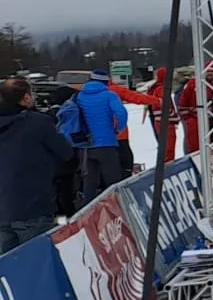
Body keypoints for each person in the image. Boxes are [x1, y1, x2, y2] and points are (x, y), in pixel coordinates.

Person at [0, 77, 74, 252]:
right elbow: (66, 153)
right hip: (32, 207)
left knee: (7, 268)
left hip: (3, 209)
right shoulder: (37, 122)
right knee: (37, 263)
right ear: (25, 98)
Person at [69, 69, 129, 203]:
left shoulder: (79, 96)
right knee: (113, 182)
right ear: (106, 81)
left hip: (85, 145)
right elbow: (121, 113)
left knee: (89, 183)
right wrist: (118, 129)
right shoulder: (109, 95)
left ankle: (87, 212)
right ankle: (119, 208)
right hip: (106, 144)